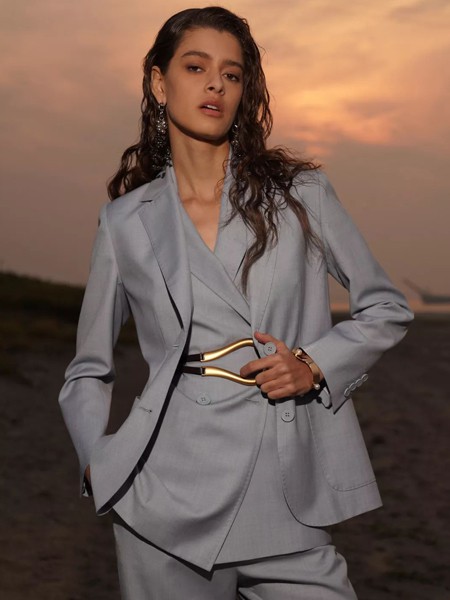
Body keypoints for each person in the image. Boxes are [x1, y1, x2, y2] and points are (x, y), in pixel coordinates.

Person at [59, 6, 413, 599]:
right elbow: (89, 368)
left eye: (232, 74)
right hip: (163, 495)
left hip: (286, 487)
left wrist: (313, 364)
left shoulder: (300, 195)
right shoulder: (125, 221)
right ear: (159, 82)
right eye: (196, 67)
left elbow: (386, 307)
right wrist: (98, 461)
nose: (216, 85)